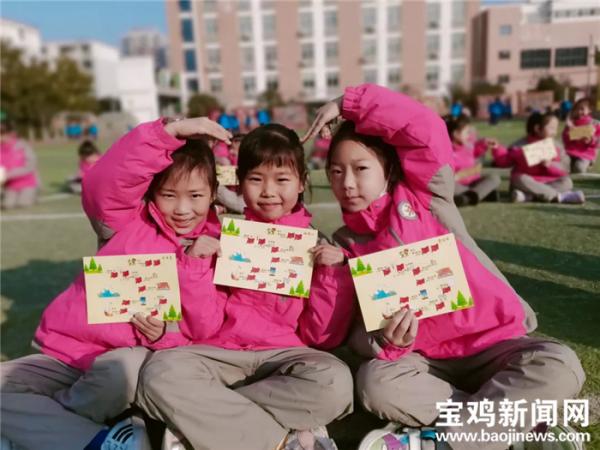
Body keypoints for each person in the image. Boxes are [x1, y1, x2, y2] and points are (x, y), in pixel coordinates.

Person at [302, 84, 585, 450]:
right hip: (424, 364)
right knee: (375, 383)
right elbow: (351, 335)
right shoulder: (343, 246)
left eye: (360, 169)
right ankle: (514, 428)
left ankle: (444, 443)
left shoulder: (426, 197)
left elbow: (426, 129)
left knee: (560, 364)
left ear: (388, 170)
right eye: (336, 172)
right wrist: (385, 341)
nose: (347, 183)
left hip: (494, 344)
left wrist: (349, 103)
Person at [0, 117, 232, 450]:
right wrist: (166, 134)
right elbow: (104, 185)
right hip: (65, 353)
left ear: (212, 194)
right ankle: (91, 437)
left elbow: (206, 329)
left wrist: (166, 332)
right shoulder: (124, 221)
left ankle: (50, 430)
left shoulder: (215, 246)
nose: (183, 209)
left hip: (127, 366)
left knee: (125, 369)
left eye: (195, 195)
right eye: (169, 195)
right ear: (152, 193)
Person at [137, 124, 355, 450]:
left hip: (286, 358)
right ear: (239, 184)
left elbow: (322, 338)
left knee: (336, 383)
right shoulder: (221, 241)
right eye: (256, 179)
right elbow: (202, 327)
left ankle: (208, 418)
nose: (268, 191)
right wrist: (195, 266)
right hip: (221, 353)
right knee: (158, 373)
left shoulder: (319, 246)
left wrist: (332, 276)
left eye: (281, 179)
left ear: (301, 183)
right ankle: (286, 441)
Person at [494, 112, 584, 204]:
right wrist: (497, 149)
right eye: (552, 128)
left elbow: (564, 170)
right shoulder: (519, 145)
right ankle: (559, 197)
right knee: (518, 178)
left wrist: (550, 165)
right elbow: (504, 162)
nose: (555, 133)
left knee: (567, 182)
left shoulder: (557, 146)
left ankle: (529, 196)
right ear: (537, 128)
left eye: (556, 129)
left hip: (549, 182)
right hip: (527, 184)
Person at [443, 115, 501, 207]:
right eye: (466, 132)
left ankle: (469, 197)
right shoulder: (447, 151)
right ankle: (480, 194)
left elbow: (477, 148)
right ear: (456, 134)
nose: (469, 135)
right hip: (458, 185)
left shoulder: (468, 145)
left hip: (474, 182)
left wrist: (485, 143)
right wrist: (457, 176)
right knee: (446, 185)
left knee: (494, 178)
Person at [0, 117, 39, 209]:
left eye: (2, 134)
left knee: (23, 204)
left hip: (27, 183)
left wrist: (8, 174)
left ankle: (33, 196)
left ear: (10, 133)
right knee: (8, 205)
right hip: (10, 185)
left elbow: (30, 166)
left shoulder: (22, 146)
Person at [561, 97, 600, 173]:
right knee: (562, 165)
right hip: (570, 152)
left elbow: (598, 142)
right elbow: (565, 139)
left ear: (589, 110)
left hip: (585, 154)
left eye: (582, 109)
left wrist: (591, 140)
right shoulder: (571, 123)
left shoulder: (595, 124)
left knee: (579, 168)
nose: (579, 111)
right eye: (577, 109)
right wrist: (569, 129)